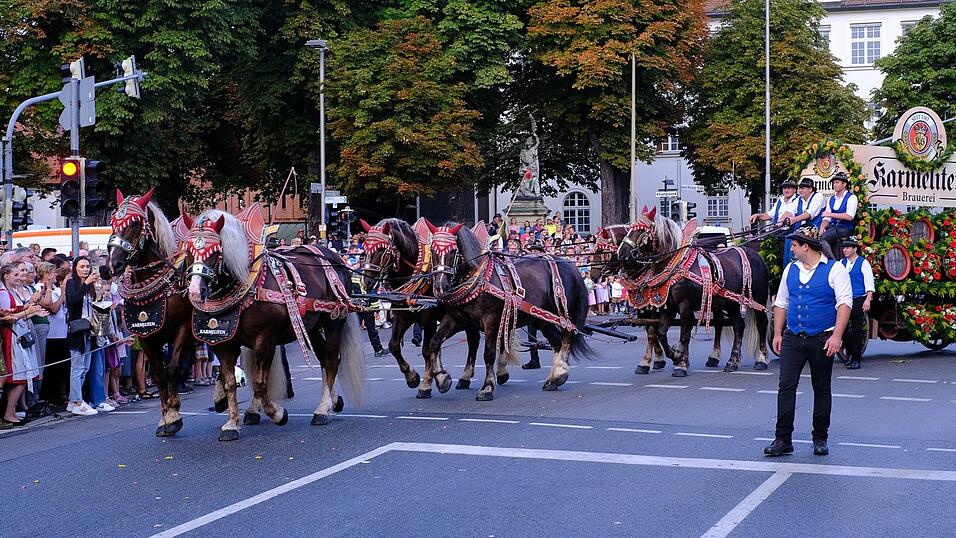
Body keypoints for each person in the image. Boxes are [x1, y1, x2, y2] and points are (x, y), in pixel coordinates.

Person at [765, 226, 851, 457]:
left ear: (806, 246)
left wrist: (836, 336)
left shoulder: (835, 270)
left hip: (822, 336)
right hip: (794, 337)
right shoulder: (790, 269)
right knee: (786, 386)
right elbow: (781, 303)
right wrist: (778, 333)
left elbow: (844, 304)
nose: (791, 248)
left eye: (794, 244)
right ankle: (783, 439)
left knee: (821, 388)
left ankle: (820, 438)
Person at [0, 264, 46, 426]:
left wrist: (32, 311)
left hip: (20, 335)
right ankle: (8, 412)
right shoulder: (4, 294)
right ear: (6, 276)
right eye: (15, 274)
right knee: (19, 376)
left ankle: (11, 412)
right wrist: (29, 311)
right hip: (12, 337)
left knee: (23, 375)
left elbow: (18, 316)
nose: (19, 277)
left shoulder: (12, 292)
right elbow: (7, 319)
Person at [66, 256, 100, 416]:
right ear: (75, 268)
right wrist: (86, 284)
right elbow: (73, 301)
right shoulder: (71, 283)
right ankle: (77, 401)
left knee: (85, 367)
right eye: (82, 267)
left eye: (87, 267)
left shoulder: (91, 285)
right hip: (77, 329)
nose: (85, 269)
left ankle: (74, 400)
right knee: (77, 367)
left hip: (90, 329)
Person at [840, 236, 873, 370]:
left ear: (855, 249)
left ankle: (856, 359)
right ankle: (850, 353)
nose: (845, 250)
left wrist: (868, 299)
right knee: (841, 329)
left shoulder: (863, 263)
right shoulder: (841, 263)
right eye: (844, 248)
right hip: (844, 299)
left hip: (858, 298)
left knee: (857, 329)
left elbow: (869, 283)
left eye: (848, 247)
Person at [819, 172, 858, 259]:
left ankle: (832, 262)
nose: (834, 185)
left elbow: (849, 216)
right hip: (832, 227)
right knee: (816, 235)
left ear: (844, 184)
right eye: (834, 183)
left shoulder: (851, 198)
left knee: (824, 238)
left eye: (837, 182)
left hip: (844, 228)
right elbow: (826, 218)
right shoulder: (831, 199)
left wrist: (831, 214)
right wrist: (822, 227)